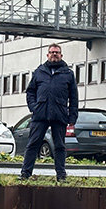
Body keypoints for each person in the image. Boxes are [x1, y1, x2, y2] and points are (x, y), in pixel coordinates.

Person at [19, 43, 78, 181]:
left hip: (59, 114)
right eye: (51, 52)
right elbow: (30, 92)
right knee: (33, 144)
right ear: (47, 55)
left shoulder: (68, 74)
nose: (54, 54)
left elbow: (74, 97)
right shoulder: (39, 71)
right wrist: (34, 107)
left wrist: (72, 117)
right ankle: (25, 173)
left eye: (57, 52)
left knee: (59, 146)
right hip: (40, 114)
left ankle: (61, 175)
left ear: (61, 55)